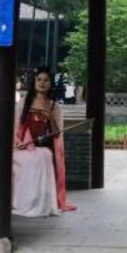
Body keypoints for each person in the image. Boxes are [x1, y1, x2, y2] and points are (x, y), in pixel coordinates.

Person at [12, 67, 77, 217]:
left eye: (46, 80)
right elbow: (14, 127)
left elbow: (57, 133)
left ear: (50, 84)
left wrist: (51, 117)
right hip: (22, 147)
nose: (42, 83)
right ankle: (26, 202)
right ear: (34, 82)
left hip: (43, 146)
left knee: (45, 155)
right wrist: (18, 142)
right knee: (37, 157)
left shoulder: (55, 107)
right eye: (39, 79)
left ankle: (41, 203)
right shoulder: (24, 103)